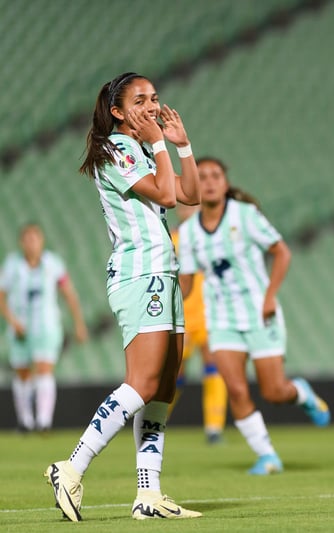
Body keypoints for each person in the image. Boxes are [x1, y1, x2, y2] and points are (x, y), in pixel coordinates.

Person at [44, 72, 202, 521]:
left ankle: (148, 495)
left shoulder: (140, 147)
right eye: (141, 100)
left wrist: (182, 144)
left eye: (155, 98)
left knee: (163, 388)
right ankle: (71, 467)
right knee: (143, 382)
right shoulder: (116, 148)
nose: (153, 105)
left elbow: (189, 193)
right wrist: (158, 143)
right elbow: (169, 196)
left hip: (163, 272)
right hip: (141, 273)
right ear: (117, 111)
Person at [177, 156, 330, 475]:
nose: (208, 181)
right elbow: (188, 284)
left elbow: (281, 252)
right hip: (221, 320)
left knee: (274, 392)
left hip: (260, 314)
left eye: (215, 175)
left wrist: (270, 296)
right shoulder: (188, 232)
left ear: (225, 182)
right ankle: (267, 455)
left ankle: (300, 392)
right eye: (201, 176)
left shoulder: (244, 216)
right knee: (235, 389)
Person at [0, 223, 88, 433]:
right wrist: (12, 321)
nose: (32, 243)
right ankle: (25, 421)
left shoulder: (53, 263)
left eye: (35, 238)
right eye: (28, 238)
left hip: (47, 325)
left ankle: (44, 421)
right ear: (22, 242)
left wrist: (79, 323)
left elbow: (69, 294)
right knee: (22, 372)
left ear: (42, 241)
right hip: (19, 326)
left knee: (44, 368)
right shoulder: (12, 265)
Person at [168, 202, 228, 444]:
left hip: (209, 312)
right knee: (175, 372)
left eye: (192, 206)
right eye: (183, 206)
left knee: (213, 365)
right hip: (182, 314)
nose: (187, 210)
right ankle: (156, 422)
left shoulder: (212, 238)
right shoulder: (169, 238)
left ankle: (214, 428)